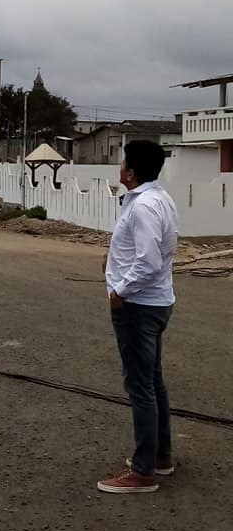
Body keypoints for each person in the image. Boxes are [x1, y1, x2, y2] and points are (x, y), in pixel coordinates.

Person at [97, 140, 178, 495]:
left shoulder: (143, 206)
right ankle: (160, 456)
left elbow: (148, 261)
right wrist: (113, 261)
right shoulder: (158, 198)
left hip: (139, 306)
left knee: (140, 386)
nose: (119, 167)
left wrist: (120, 291)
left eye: (122, 163)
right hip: (154, 302)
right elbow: (150, 249)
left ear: (130, 172)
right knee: (152, 380)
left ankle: (144, 472)